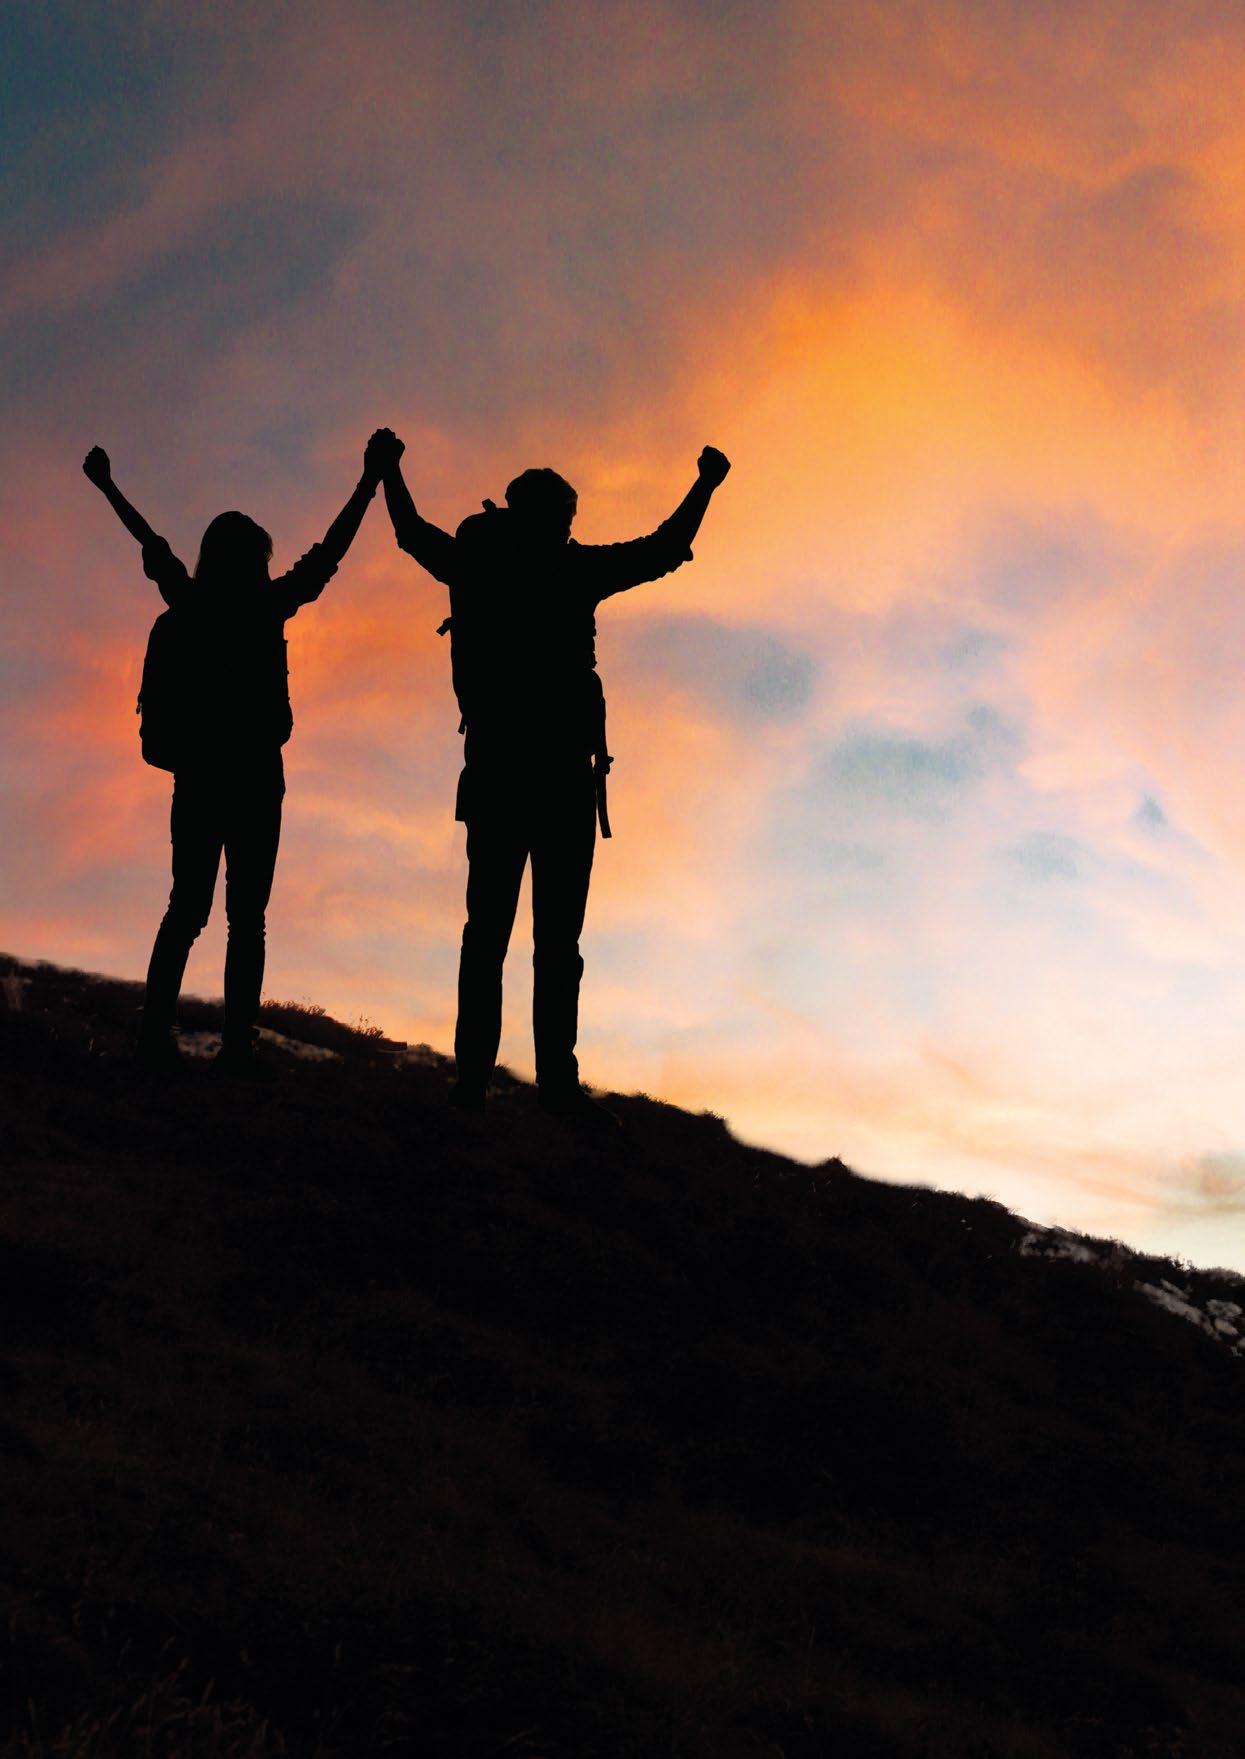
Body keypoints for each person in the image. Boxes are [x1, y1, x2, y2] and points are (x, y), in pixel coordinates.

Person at [371, 428, 731, 1120]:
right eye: (564, 518)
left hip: (501, 774)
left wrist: (389, 471)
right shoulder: (572, 570)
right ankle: (549, 1085)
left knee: (492, 936)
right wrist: (704, 486)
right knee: (549, 943)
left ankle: (478, 1082)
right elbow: (661, 551)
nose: (567, 528)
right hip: (557, 780)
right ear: (551, 517)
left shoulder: (482, 565)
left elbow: (411, 533)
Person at [82, 434, 390, 1075]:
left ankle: (156, 1037)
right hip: (255, 778)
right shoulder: (266, 606)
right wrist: (368, 483)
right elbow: (328, 556)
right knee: (246, 919)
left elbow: (149, 542)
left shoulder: (190, 602)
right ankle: (237, 1047)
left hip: (199, 777)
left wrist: (108, 485)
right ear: (254, 560)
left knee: (187, 909)